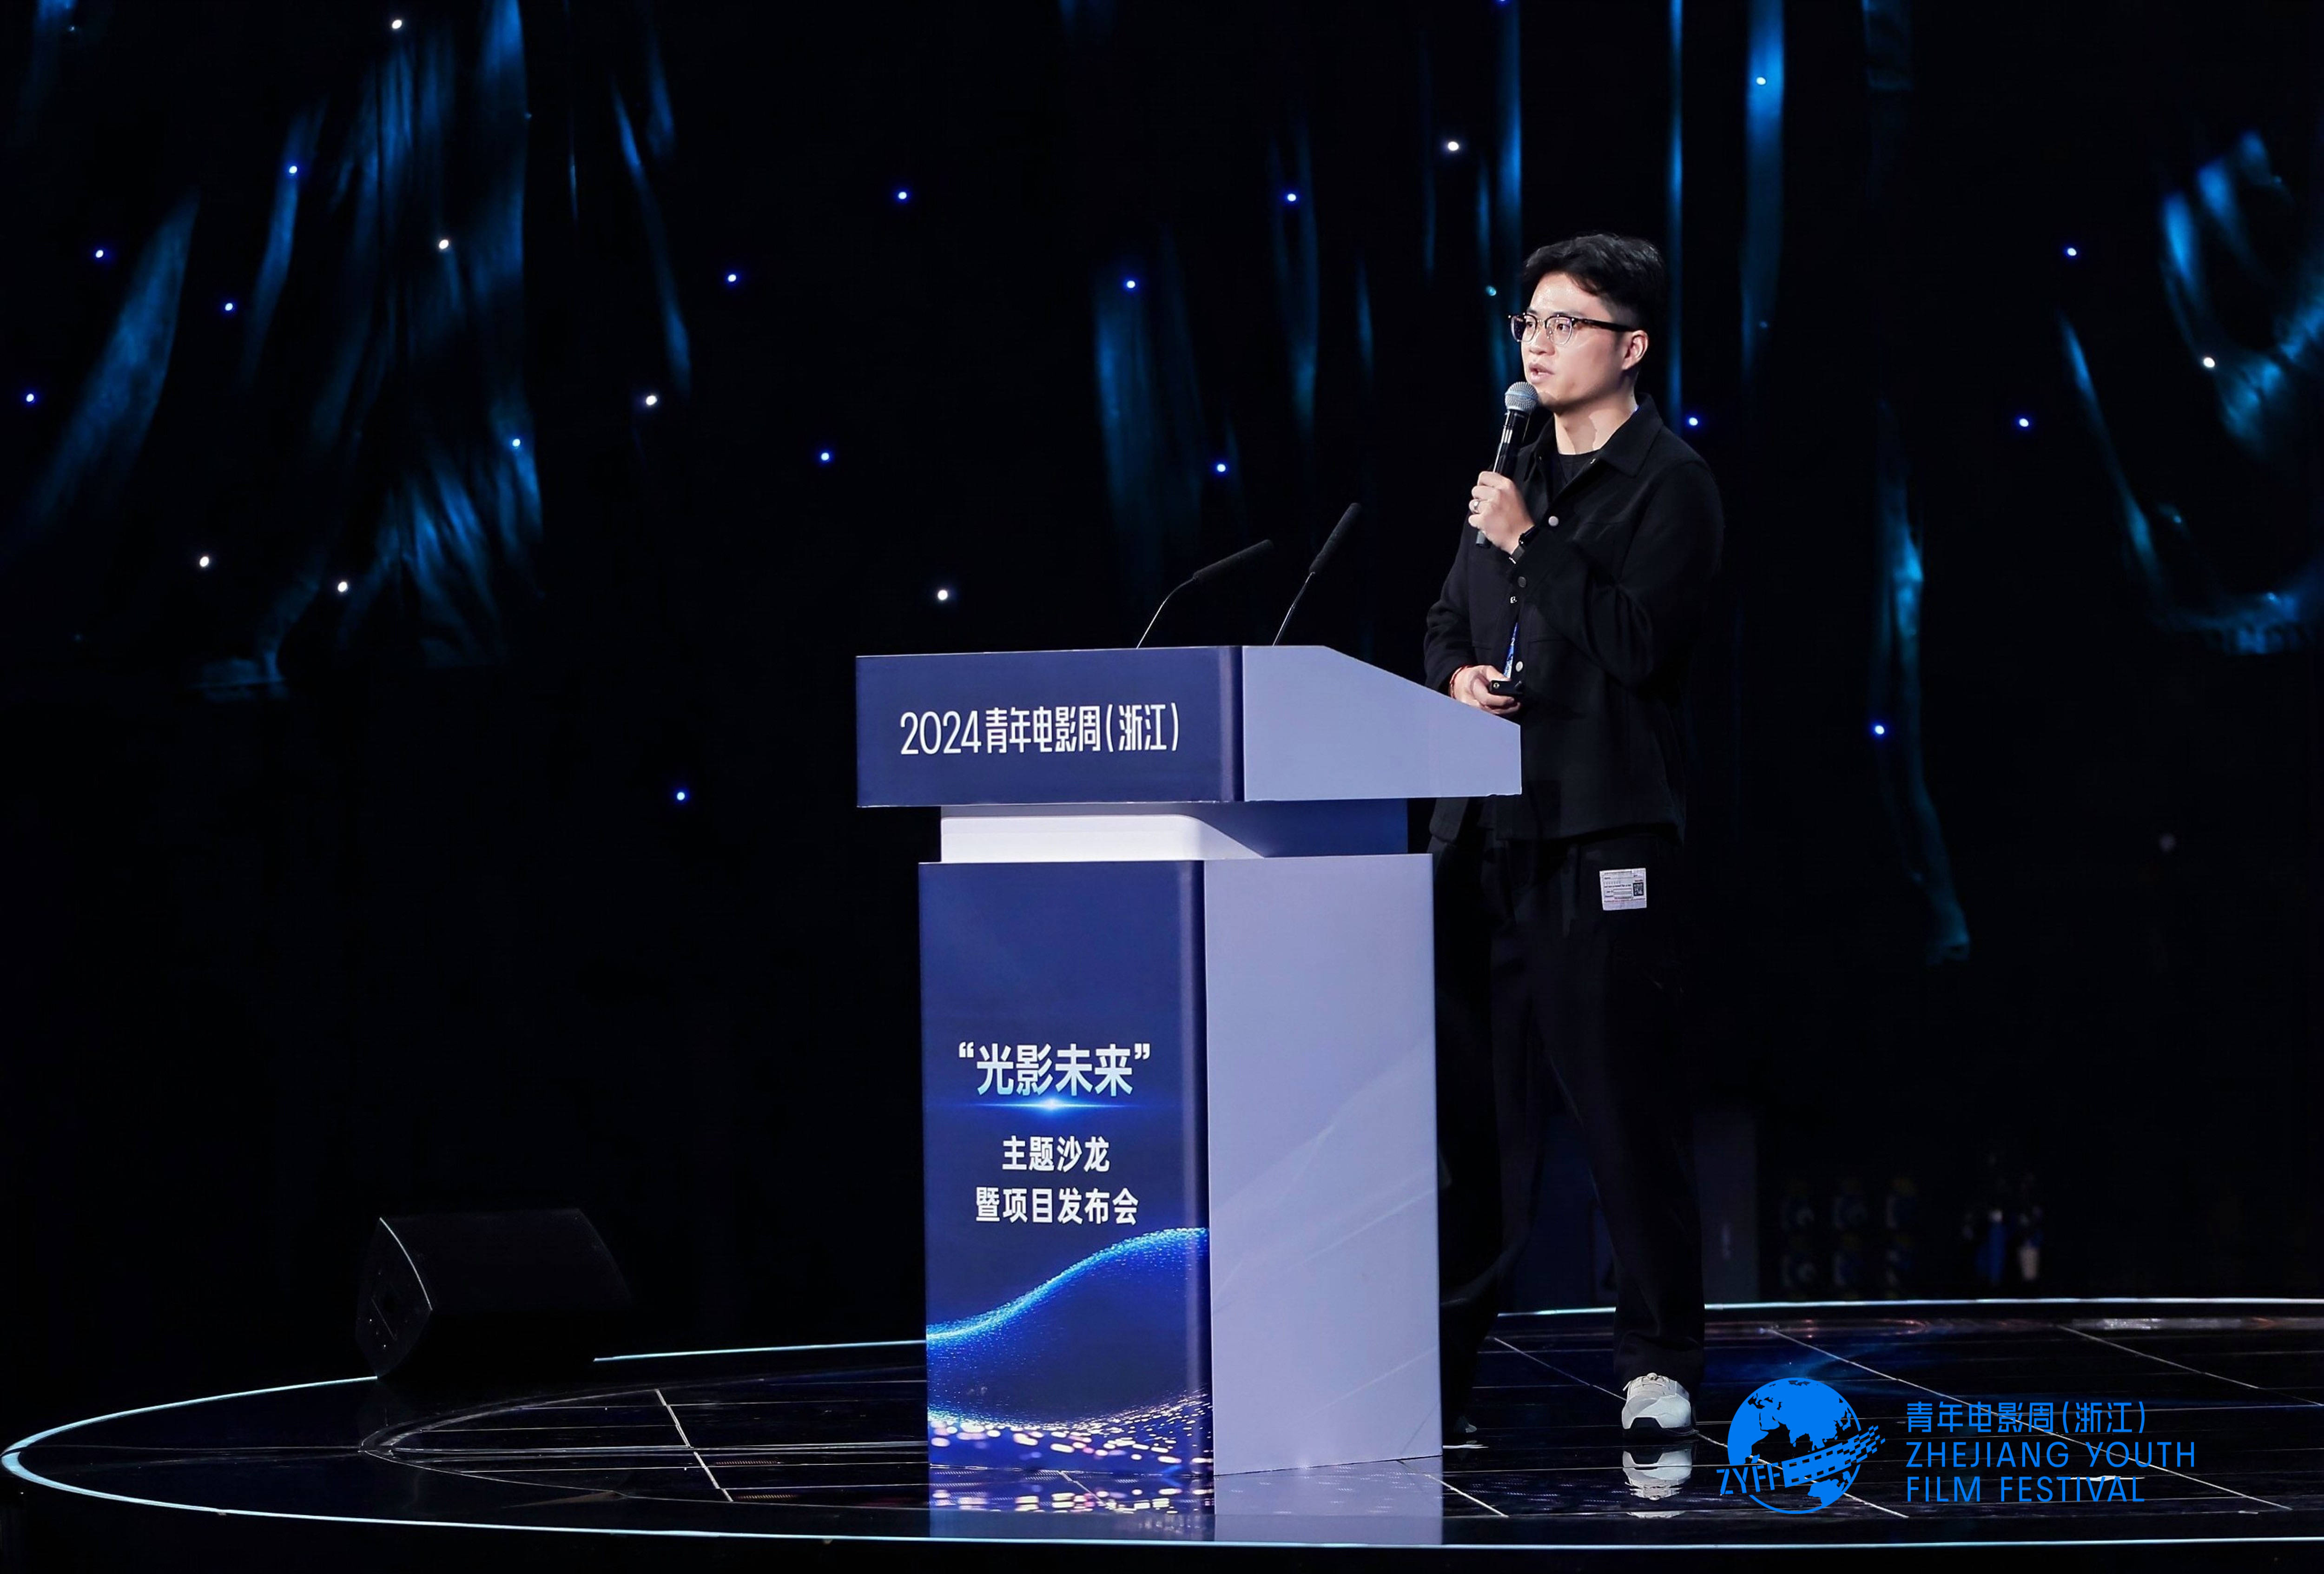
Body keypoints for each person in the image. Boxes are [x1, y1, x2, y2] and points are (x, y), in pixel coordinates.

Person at [1423, 232, 1724, 1443]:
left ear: (1630, 346)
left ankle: (1657, 1361)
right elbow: (1447, 616)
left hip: (1604, 835)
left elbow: (1641, 644)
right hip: (1487, 835)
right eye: (1529, 324)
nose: (1538, 346)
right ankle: (1440, 1369)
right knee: (1473, 1127)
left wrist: (1530, 544)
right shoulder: (1514, 470)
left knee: (1620, 1110)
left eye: (1565, 324)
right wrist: (1455, 675)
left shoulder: (1670, 485)